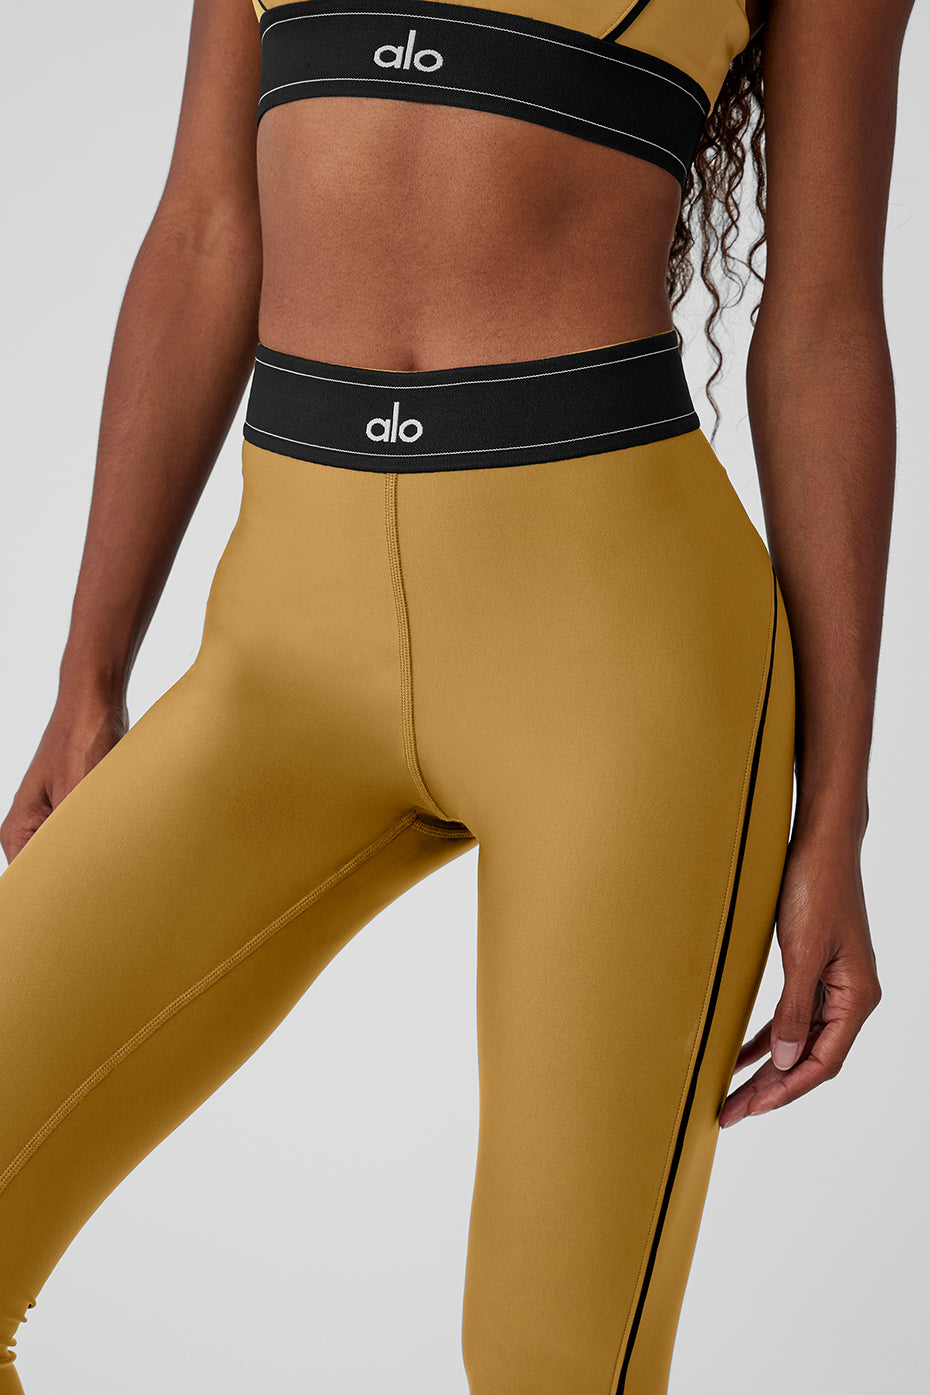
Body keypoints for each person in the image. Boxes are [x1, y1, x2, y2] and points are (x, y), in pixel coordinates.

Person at [0, 0, 915, 1390]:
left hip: (621, 664)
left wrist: (833, 813)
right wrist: (89, 675)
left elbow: (824, 325)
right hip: (282, 659)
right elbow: (202, 231)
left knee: (550, 1365)